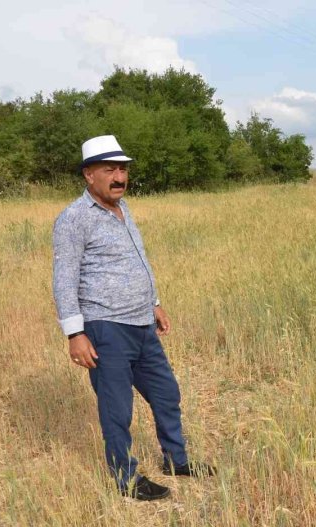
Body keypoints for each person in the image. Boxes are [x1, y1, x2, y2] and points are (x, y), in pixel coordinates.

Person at [52, 134, 214, 501]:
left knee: (166, 393)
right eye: (109, 169)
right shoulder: (73, 219)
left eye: (122, 168)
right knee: (117, 408)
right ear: (88, 175)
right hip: (105, 328)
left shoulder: (123, 210)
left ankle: (177, 460)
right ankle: (125, 480)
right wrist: (75, 334)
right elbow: (63, 279)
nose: (119, 176)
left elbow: (136, 261)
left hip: (142, 324)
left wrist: (154, 301)